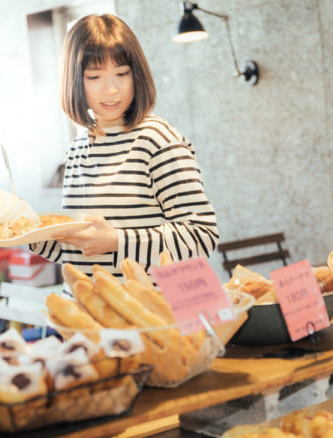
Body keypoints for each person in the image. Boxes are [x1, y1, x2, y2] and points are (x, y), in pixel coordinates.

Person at [31, 13, 218, 283]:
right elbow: (84, 249)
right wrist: (32, 236)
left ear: (136, 74)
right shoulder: (77, 150)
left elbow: (201, 237)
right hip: (95, 317)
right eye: (94, 77)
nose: (111, 90)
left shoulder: (157, 140)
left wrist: (118, 241)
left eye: (121, 74)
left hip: (153, 316)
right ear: (74, 82)